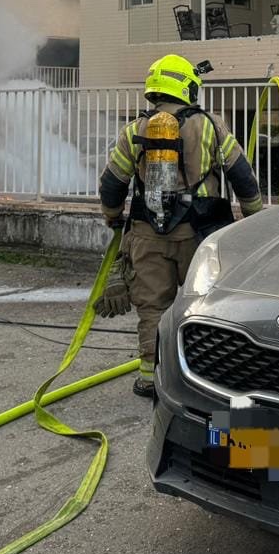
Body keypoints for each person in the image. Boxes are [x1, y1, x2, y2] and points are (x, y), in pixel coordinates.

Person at [95, 54, 263, 398]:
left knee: (153, 307)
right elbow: (242, 176)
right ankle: (209, 377)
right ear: (187, 86)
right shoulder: (211, 126)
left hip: (145, 235)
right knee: (207, 307)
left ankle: (149, 378)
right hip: (201, 236)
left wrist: (112, 217)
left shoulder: (135, 130)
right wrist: (255, 218)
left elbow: (112, 184)